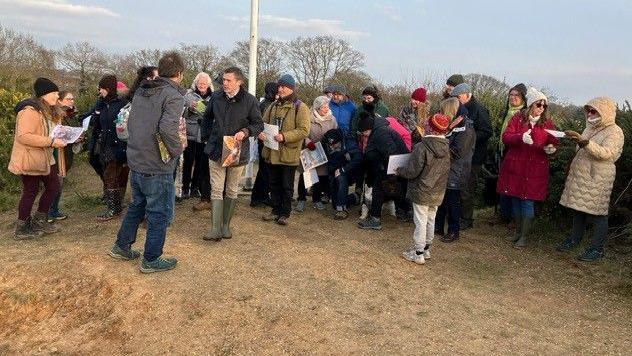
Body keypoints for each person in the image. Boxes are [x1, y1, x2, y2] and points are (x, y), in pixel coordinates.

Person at [109, 51, 186, 273]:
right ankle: (152, 258)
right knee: (158, 212)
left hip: (137, 158)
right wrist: (176, 150)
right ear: (179, 73)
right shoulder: (173, 96)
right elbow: (167, 128)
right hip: (156, 163)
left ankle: (121, 246)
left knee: (137, 205)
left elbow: (132, 123)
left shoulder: (142, 91)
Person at [558, 97, 625, 261]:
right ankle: (575, 240)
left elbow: (608, 154)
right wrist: (578, 141)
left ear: (605, 112)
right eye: (588, 110)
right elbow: (582, 148)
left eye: (594, 110)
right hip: (582, 176)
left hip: (597, 178)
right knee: (578, 209)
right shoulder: (590, 128)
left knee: (598, 214)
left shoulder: (614, 131)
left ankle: (597, 249)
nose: (590, 113)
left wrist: (584, 142)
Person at [202, 67, 263, 240]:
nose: (225, 83)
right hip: (216, 150)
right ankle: (215, 229)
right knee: (216, 188)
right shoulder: (216, 97)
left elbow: (258, 125)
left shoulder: (250, 101)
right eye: (224, 80)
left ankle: (226, 226)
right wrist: (207, 137)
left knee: (231, 189)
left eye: (229, 80)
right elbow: (206, 118)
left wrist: (245, 131)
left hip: (237, 152)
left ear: (239, 82)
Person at [496, 87, 559, 248]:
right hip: (516, 165)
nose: (541, 108)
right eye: (539, 105)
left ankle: (524, 236)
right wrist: (520, 137)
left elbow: (554, 141)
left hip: (535, 169)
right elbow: (506, 137)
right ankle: (517, 232)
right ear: (531, 104)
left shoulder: (547, 123)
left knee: (528, 201)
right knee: (516, 199)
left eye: (544, 106)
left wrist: (551, 148)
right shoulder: (518, 119)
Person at [9, 77, 66, 239]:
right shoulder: (29, 111)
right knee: (31, 190)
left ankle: (39, 221)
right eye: (55, 93)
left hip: (45, 158)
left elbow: (51, 131)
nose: (57, 96)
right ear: (45, 94)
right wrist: (52, 141)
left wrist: (67, 136)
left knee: (53, 186)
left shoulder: (49, 111)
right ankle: (21, 227)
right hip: (30, 159)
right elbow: (24, 136)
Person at [396, 114, 451, 264]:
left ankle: (418, 253)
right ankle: (426, 249)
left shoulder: (422, 147)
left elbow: (413, 171)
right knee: (431, 219)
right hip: (438, 190)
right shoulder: (447, 148)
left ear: (431, 128)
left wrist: (399, 170)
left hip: (422, 190)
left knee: (420, 220)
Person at [259, 74, 310, 226]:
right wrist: (261, 132)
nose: (280, 89)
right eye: (279, 86)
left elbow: (304, 130)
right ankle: (275, 210)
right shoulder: (273, 105)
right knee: (273, 183)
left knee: (287, 186)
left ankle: (285, 213)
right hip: (273, 152)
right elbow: (263, 123)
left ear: (291, 88)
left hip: (289, 153)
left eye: (283, 86)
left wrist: (285, 136)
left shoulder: (301, 107)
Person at [450, 82, 492, 230]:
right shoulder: (458, 109)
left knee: (467, 187)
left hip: (474, 157)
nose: (456, 99)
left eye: (458, 96)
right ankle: (455, 215)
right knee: (457, 186)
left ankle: (466, 218)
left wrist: (469, 137)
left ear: (468, 95)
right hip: (460, 154)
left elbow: (487, 131)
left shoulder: (479, 110)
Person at [357, 113, 410, 230]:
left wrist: (392, 173)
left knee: (378, 188)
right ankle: (404, 211)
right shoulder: (380, 129)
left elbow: (391, 152)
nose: (364, 135)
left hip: (393, 165)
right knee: (394, 188)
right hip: (394, 164)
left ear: (368, 129)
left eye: (364, 133)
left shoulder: (380, 134)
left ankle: (375, 220)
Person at [435, 98, 475, 243]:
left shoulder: (466, 128)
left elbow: (457, 151)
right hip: (447, 167)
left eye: (444, 111)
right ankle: (438, 226)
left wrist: (439, 151)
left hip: (457, 169)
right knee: (442, 200)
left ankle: (454, 231)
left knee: (453, 201)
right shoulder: (453, 125)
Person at [95, 75, 130, 221]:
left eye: (101, 88)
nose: (100, 91)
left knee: (111, 176)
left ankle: (113, 209)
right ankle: (116, 206)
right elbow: (97, 121)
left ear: (108, 88)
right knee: (111, 176)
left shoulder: (121, 103)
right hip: (106, 145)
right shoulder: (101, 104)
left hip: (119, 146)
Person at [494, 83, 528, 224]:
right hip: (504, 150)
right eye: (511, 95)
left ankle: (514, 218)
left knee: (514, 185)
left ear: (523, 98)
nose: (513, 98)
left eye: (516, 95)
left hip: (515, 153)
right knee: (503, 184)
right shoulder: (508, 112)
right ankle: (504, 214)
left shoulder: (524, 114)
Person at [300, 95, 338, 211]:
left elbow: (336, 134)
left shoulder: (332, 119)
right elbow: (303, 133)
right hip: (309, 151)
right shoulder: (308, 118)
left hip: (324, 153)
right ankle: (301, 199)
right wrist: (308, 142)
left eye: (327, 106)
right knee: (305, 176)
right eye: (323, 107)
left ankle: (317, 199)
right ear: (317, 108)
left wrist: (333, 143)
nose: (326, 109)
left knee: (320, 178)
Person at [182, 72, 214, 209]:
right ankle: (185, 188)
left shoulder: (213, 97)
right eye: (200, 83)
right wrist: (190, 109)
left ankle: (195, 187)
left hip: (204, 134)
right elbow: (181, 112)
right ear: (196, 83)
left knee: (201, 163)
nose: (202, 86)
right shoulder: (188, 95)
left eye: (204, 84)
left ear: (208, 85)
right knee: (188, 161)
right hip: (190, 133)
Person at [47, 90, 78, 222]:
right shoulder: (55, 115)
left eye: (72, 99)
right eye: (68, 99)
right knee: (54, 182)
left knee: (60, 181)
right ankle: (47, 212)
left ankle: (53, 210)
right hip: (56, 152)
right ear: (59, 101)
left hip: (66, 153)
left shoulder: (71, 115)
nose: (72, 101)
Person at [321, 128, 362, 220]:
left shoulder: (349, 142)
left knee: (341, 178)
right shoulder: (327, 143)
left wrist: (343, 169)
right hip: (334, 170)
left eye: (334, 144)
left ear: (340, 141)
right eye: (330, 144)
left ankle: (342, 210)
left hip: (349, 170)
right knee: (335, 204)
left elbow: (358, 158)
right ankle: (354, 198)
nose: (331, 147)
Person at [250, 82, 279, 207]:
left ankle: (260, 196)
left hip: (267, 140)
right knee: (265, 170)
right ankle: (259, 197)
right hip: (265, 141)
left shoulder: (266, 104)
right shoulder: (267, 105)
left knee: (265, 170)